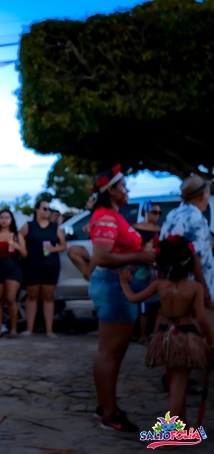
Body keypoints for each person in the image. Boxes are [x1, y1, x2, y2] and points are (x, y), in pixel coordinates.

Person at [87, 164, 155, 432]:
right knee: (111, 351)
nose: (128, 190)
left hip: (117, 285)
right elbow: (101, 256)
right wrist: (141, 256)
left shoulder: (113, 215)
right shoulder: (105, 217)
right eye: (124, 186)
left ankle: (105, 406)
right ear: (111, 190)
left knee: (114, 351)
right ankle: (109, 413)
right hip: (113, 286)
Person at [119, 235, 214, 424]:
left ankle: (181, 427)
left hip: (164, 337)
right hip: (185, 338)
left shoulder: (159, 284)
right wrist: (211, 341)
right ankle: (168, 432)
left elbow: (133, 298)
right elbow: (202, 319)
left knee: (174, 385)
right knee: (178, 390)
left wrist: (124, 284)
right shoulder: (195, 287)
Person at [161, 175, 213, 306]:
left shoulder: (172, 214)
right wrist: (205, 292)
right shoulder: (197, 219)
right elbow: (195, 258)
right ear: (202, 196)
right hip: (194, 292)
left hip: (173, 288)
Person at [20, 199, 66, 338]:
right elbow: (19, 236)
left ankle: (49, 330)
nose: (48, 211)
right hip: (32, 265)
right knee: (32, 296)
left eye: (49, 209)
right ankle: (29, 328)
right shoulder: (29, 225)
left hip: (50, 266)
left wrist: (54, 249)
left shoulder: (54, 227)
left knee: (48, 297)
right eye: (45, 208)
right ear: (37, 210)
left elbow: (63, 245)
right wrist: (23, 248)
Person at [0, 209, 27, 338]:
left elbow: (25, 254)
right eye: (1, 217)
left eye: (7, 217)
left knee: (10, 299)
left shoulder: (17, 235)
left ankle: (13, 329)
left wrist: (18, 247)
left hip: (13, 268)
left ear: (11, 220)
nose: (4, 220)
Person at [132, 202, 162, 343]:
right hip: (138, 272)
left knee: (155, 307)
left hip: (154, 272)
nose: (157, 216)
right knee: (142, 307)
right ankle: (142, 334)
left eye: (159, 213)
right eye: (155, 212)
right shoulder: (135, 228)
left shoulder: (160, 230)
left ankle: (150, 334)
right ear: (146, 212)